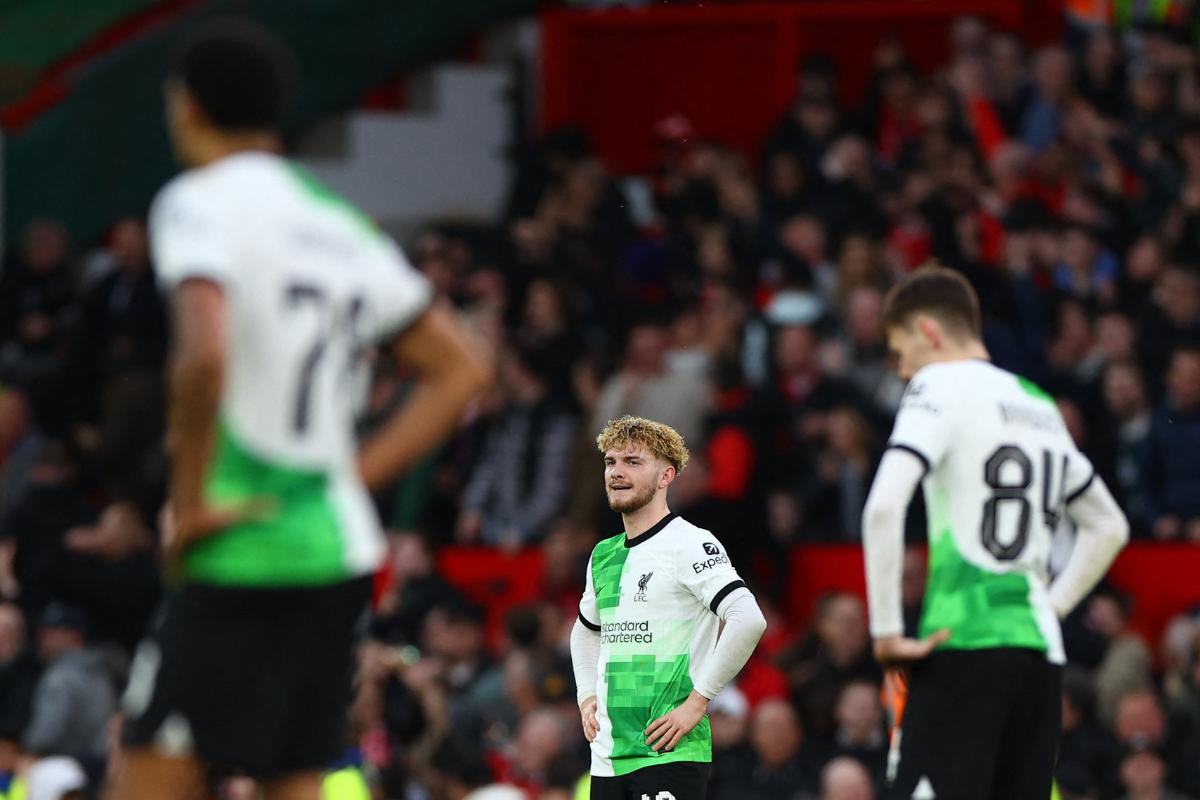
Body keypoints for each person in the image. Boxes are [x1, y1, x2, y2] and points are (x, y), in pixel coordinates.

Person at [108, 20, 492, 800]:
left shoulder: (197, 202)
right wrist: (350, 478)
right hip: (335, 553)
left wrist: (188, 500)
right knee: (294, 777)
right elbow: (463, 369)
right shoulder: (337, 222)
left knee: (146, 775)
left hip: (243, 542)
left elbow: (204, 352)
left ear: (187, 109)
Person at [861, 266, 1129, 799]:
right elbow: (1109, 525)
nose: (900, 369)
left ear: (928, 332)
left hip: (965, 640)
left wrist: (888, 633)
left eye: (900, 350)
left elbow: (884, 506)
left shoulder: (937, 385)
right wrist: (1052, 606)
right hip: (1039, 656)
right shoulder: (1037, 403)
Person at [570, 416, 766, 799]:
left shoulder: (690, 543)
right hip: (608, 755)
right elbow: (585, 630)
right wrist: (586, 695)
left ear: (666, 476)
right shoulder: (603, 554)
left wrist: (698, 702)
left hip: (667, 752)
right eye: (611, 462)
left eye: (633, 462)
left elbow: (748, 619)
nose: (617, 472)